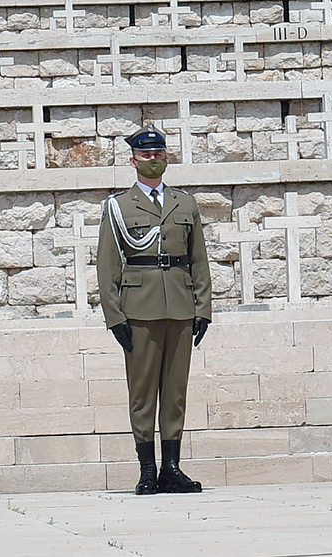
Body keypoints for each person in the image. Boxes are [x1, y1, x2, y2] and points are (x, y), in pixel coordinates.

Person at [97, 127, 212, 495]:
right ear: (133, 161)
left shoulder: (185, 204)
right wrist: (114, 316)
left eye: (158, 154)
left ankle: (171, 468)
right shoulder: (119, 207)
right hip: (139, 309)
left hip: (179, 306)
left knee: (175, 391)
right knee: (143, 392)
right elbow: (107, 265)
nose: (153, 160)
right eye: (146, 155)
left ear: (167, 158)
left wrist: (203, 307)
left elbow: (198, 259)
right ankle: (147, 469)